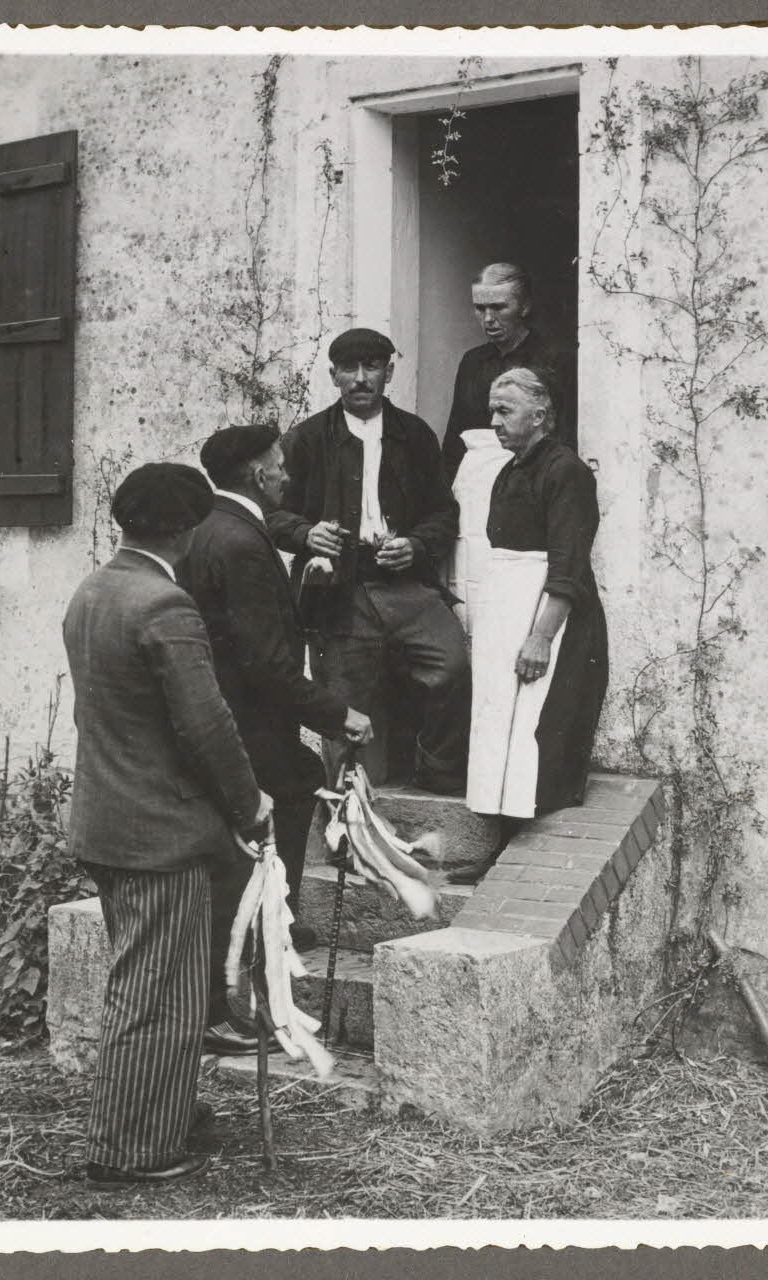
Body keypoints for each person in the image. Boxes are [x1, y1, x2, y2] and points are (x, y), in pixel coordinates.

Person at [62, 462, 272, 1188]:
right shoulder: (164, 604)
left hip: (108, 820)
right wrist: (249, 804)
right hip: (157, 832)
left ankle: (162, 1115)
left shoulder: (93, 589)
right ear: (186, 531)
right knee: (158, 996)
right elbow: (206, 726)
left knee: (156, 985)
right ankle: (128, 1151)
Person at [182, 424, 372, 1038]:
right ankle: (262, 943)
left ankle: (274, 922)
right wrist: (337, 714)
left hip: (225, 718)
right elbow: (265, 663)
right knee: (289, 792)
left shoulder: (207, 526)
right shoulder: (241, 541)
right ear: (258, 475)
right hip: (248, 723)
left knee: (292, 787)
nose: (287, 476)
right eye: (280, 466)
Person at [267, 327, 471, 794]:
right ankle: (345, 811)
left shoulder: (413, 435)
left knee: (451, 665)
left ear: (389, 372)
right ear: (333, 375)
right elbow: (269, 512)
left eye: (372, 367)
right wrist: (305, 533)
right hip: (337, 591)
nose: (361, 378)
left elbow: (444, 512)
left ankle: (436, 772)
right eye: (349, 369)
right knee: (343, 704)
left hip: (405, 585)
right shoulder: (306, 439)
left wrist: (416, 545)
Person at [449, 368, 608, 885]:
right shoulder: (510, 470)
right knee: (498, 721)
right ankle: (496, 847)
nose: (494, 421)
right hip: (506, 609)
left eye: (505, 410)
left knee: (529, 729)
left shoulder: (566, 472)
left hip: (545, 614)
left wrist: (541, 636)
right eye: (492, 411)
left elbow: (568, 564)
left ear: (539, 414)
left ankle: (519, 857)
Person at [441, 262, 569, 485]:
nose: (488, 319)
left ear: (524, 307)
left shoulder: (555, 361)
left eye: (498, 307)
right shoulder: (472, 361)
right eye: (480, 308)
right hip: (473, 481)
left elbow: (565, 436)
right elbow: (455, 435)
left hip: (530, 482)